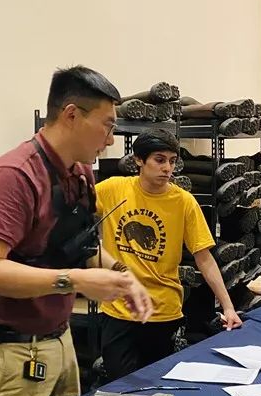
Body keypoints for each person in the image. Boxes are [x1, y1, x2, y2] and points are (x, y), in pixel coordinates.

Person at [0, 66, 153, 396]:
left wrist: (124, 276)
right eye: (107, 126)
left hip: (59, 343)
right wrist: (75, 281)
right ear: (72, 115)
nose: (110, 140)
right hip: (10, 353)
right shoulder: (15, 176)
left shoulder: (79, 174)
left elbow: (81, 247)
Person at [95, 128, 242, 380]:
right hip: (119, 310)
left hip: (163, 311)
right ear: (139, 160)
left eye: (172, 161)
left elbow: (204, 258)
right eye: (159, 160)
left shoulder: (183, 201)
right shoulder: (112, 190)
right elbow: (69, 207)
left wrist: (228, 307)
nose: (168, 168)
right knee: (119, 385)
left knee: (155, 388)